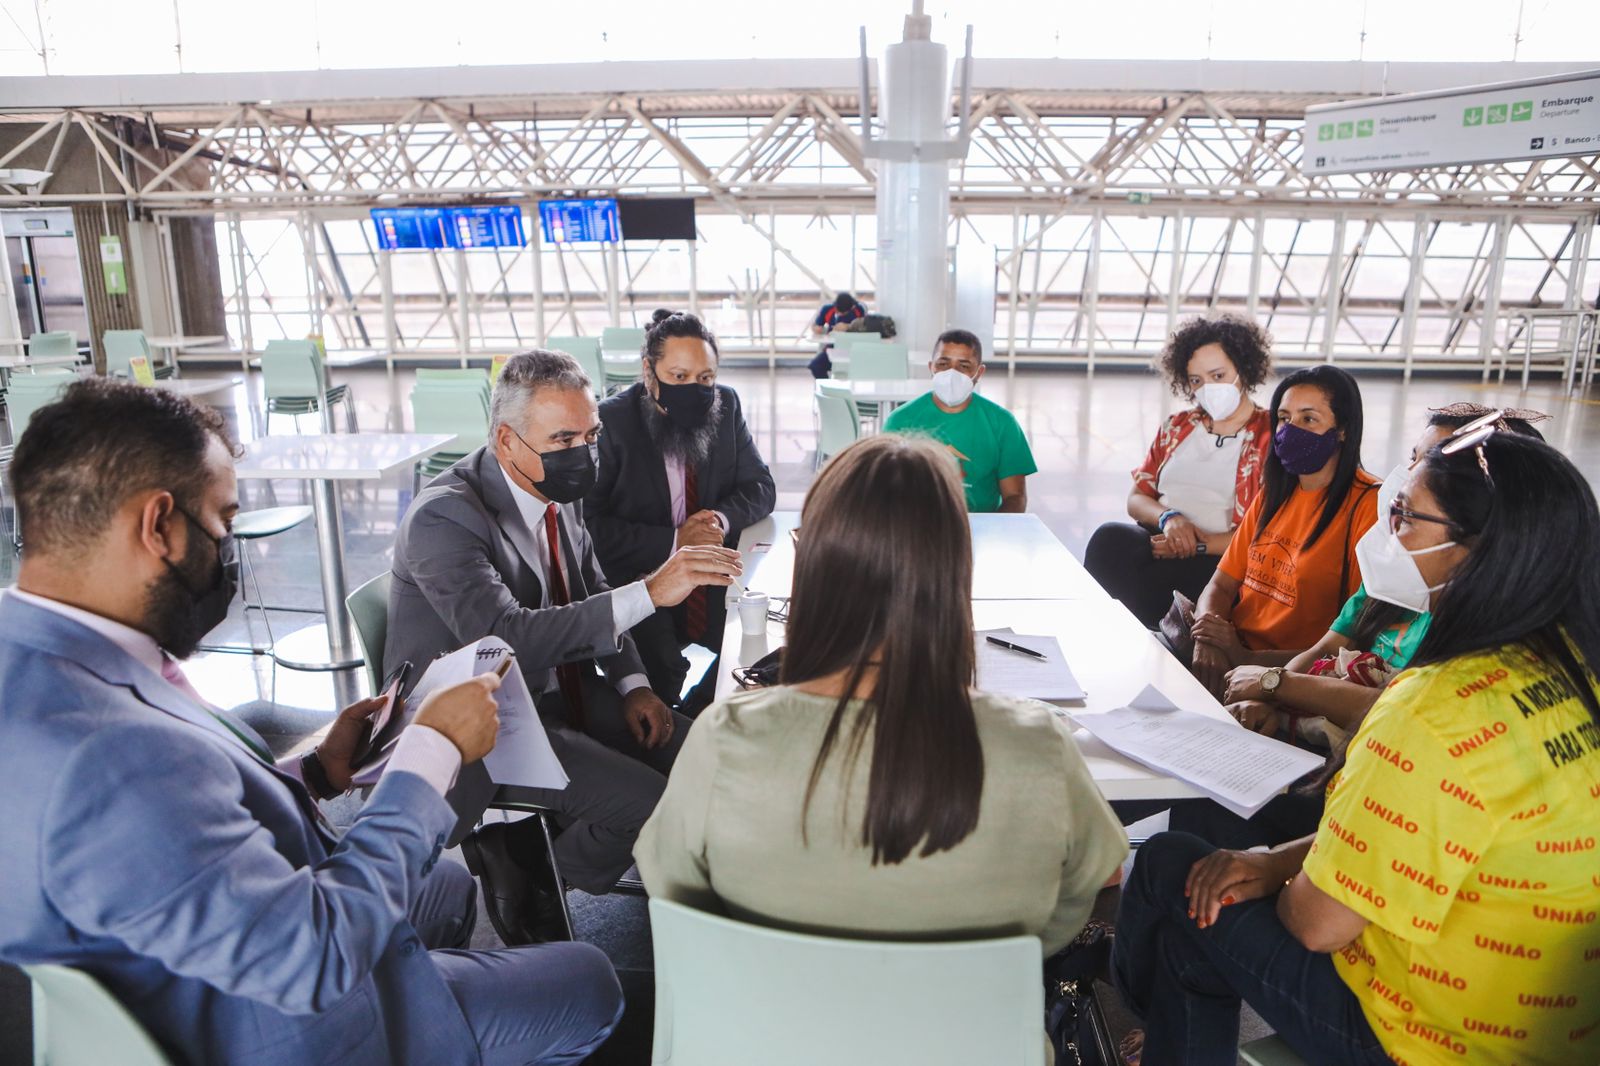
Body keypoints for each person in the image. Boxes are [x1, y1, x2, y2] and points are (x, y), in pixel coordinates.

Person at [0, 378, 622, 1066]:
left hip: (210, 938)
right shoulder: (110, 758)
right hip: (288, 1017)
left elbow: (176, 823)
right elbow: (315, 960)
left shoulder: (41, 655)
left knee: (445, 885)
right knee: (591, 982)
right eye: (223, 522)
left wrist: (317, 772)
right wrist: (430, 752)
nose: (228, 547)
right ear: (157, 526)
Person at [1113, 429, 1600, 1066]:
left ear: (1479, 553)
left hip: (1422, 1040)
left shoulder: (1432, 707)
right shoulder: (1573, 677)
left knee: (1172, 868)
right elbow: (1432, 834)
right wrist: (1274, 859)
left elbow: (1315, 924)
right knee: (1204, 915)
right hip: (1548, 1030)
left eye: (1405, 518)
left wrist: (1278, 876)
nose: (1386, 534)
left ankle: (1119, 1004)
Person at [636, 433, 1127, 975]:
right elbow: (1069, 907)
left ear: (812, 565)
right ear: (952, 572)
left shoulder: (726, 738)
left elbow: (674, 897)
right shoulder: (1037, 745)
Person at [387, 349, 742, 944]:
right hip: (480, 723)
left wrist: (633, 684)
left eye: (591, 434)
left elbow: (591, 587)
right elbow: (509, 636)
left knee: (706, 758)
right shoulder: (443, 520)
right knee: (653, 806)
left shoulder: (556, 486)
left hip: (553, 693)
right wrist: (654, 590)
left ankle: (561, 847)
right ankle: (545, 867)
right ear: (506, 441)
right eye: (564, 437)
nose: (585, 452)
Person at [1167, 404, 1552, 852]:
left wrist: (1275, 686)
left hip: (1367, 772)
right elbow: (1325, 648)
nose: (1408, 477)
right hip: (1321, 734)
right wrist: (1275, 702)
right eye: (1413, 458)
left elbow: (1395, 714)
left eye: (1428, 464)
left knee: (1195, 817)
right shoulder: (1393, 574)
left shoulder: (1485, 626)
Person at [586, 310, 776, 716]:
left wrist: (716, 522)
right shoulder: (611, 424)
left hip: (710, 571)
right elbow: (587, 527)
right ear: (648, 372)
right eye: (679, 377)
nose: (695, 389)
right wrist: (675, 541)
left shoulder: (726, 406)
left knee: (758, 649)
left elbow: (761, 487)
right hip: (640, 576)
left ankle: (699, 718)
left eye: (705, 378)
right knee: (663, 673)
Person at [1184, 365, 1380, 698]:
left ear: (1343, 429)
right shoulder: (1276, 493)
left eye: (1309, 419)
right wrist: (1210, 638)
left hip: (1289, 674)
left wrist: (1248, 659)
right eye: (1284, 418)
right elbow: (1220, 584)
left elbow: (1354, 641)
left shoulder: (1368, 505)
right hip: (1230, 650)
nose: (1290, 430)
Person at [1084, 315, 1274, 628]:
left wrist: (1195, 544)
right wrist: (1169, 518)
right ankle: (1128, 630)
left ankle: (1165, 635)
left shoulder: (1270, 435)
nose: (1208, 388)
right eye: (1197, 380)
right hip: (1160, 541)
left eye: (1218, 375)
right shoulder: (1177, 427)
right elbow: (1137, 498)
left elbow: (1265, 532)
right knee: (1110, 540)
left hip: (1222, 558)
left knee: (1208, 581)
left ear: (1245, 369)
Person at [881, 328, 1037, 513]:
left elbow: (1015, 497)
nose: (951, 373)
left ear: (979, 373)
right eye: (943, 364)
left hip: (981, 529)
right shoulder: (901, 420)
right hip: (917, 529)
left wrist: (992, 530)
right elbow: (887, 492)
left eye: (964, 366)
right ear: (931, 367)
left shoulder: (1002, 423)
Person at [807, 291, 866, 378]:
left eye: (843, 313)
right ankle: (827, 388)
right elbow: (816, 325)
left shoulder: (859, 310)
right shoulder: (827, 309)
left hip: (853, 349)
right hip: (833, 348)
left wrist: (848, 326)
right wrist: (816, 329)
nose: (840, 314)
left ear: (852, 307)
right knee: (815, 366)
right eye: (838, 311)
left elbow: (865, 327)